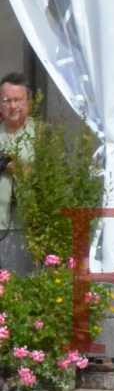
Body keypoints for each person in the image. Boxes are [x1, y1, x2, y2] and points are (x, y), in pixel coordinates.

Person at [0, 73, 35, 272]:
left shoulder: (43, 137)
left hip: (30, 227)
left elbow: (51, 178)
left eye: (17, 100)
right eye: (6, 100)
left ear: (28, 102)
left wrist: (17, 167)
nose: (12, 106)